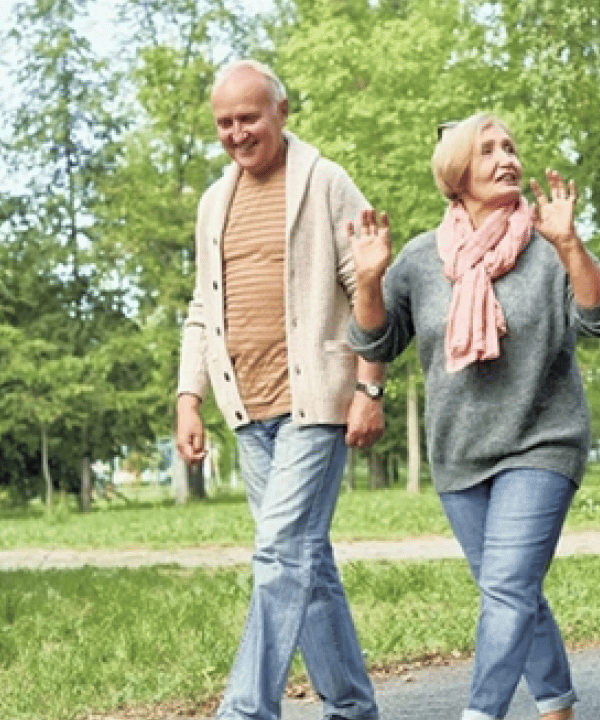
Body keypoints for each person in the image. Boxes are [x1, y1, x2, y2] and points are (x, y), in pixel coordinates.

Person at [346, 113, 600, 720]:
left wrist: (571, 246)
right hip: (460, 453)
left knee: (507, 587)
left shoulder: (550, 243)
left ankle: (480, 712)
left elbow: (599, 320)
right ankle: (557, 706)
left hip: (542, 442)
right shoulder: (419, 259)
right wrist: (368, 278)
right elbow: (376, 343)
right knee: (512, 591)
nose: (506, 159)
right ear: (456, 173)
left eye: (511, 148)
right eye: (488, 150)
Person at [175, 59, 385, 720]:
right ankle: (352, 709)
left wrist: (369, 388)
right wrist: (189, 396)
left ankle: (244, 710)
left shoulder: (325, 182)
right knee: (307, 566)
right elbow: (202, 308)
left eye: (248, 117)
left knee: (279, 554)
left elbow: (368, 290)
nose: (237, 133)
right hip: (248, 410)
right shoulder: (214, 202)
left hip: (315, 404)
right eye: (224, 123)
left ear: (282, 112)